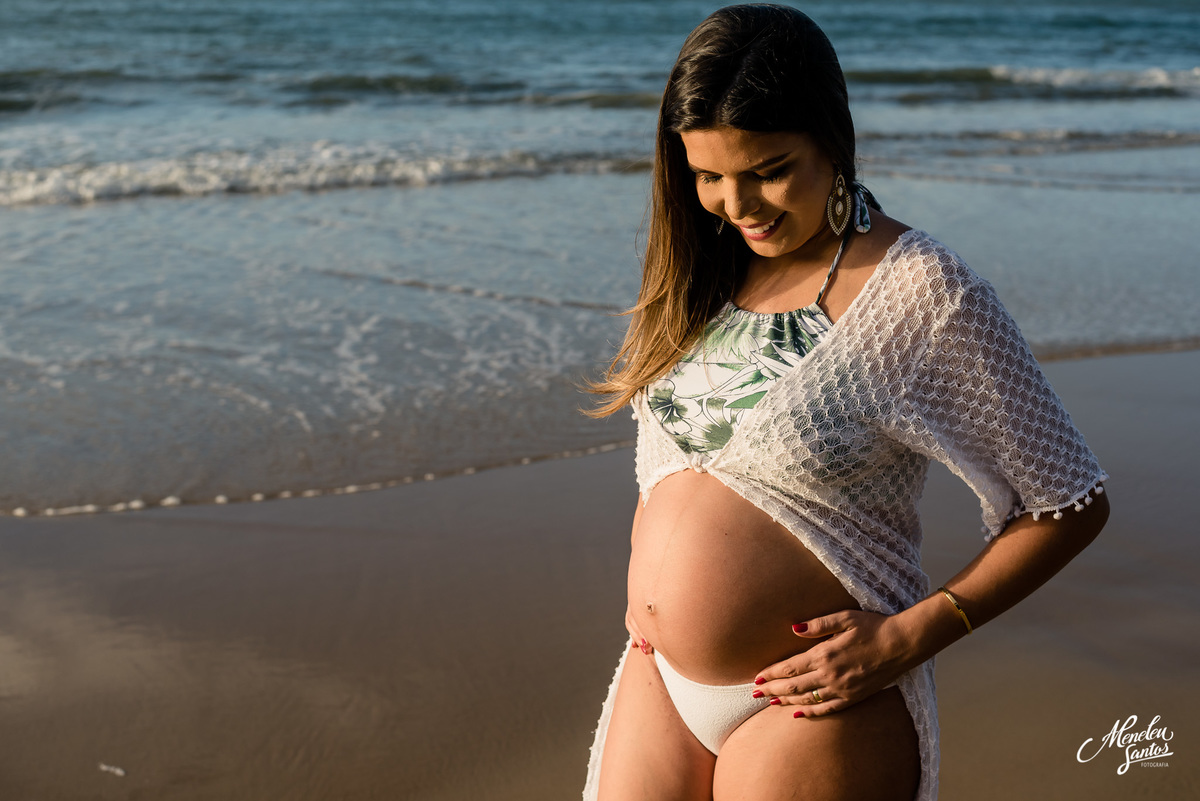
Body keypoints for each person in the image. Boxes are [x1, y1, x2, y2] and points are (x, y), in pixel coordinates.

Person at [581, 5, 1109, 801]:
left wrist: (909, 636)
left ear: (832, 140)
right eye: (708, 176)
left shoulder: (920, 291)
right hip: (659, 678)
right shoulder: (705, 270)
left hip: (815, 702)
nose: (738, 204)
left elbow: (1069, 501)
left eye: (769, 169)